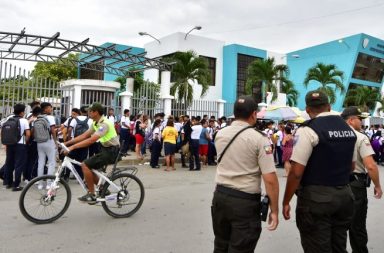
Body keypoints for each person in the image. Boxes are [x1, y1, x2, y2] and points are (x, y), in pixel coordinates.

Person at [283, 90, 357, 253]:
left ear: (308, 110)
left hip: (317, 199)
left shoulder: (308, 130)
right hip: (344, 195)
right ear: (329, 107)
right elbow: (352, 166)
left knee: (317, 246)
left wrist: (286, 201)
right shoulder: (347, 129)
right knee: (339, 245)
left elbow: (296, 172)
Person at [212, 96, 279, 252]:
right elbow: (270, 180)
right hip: (244, 202)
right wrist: (274, 210)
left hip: (220, 197)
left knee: (220, 245)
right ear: (254, 114)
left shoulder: (220, 134)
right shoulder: (259, 139)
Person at [341, 106, 382, 253]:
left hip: (334, 185)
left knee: (337, 227)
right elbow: (370, 166)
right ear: (351, 120)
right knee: (356, 225)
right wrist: (377, 185)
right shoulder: (360, 137)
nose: (362, 122)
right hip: (355, 185)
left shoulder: (331, 135)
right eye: (360, 119)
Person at [64, 103, 120, 203]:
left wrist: (72, 147)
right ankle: (102, 188)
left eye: (90, 111)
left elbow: (91, 140)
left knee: (84, 165)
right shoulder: (95, 123)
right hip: (105, 149)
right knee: (89, 166)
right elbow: (85, 135)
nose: (88, 113)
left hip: (112, 151)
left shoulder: (104, 124)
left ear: (96, 112)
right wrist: (67, 143)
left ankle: (91, 194)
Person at [3, 104, 31, 191]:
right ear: (22, 112)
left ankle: (8, 183)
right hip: (20, 145)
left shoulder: (8, 119)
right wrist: (25, 142)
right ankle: (16, 185)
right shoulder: (24, 120)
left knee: (9, 163)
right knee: (19, 164)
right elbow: (28, 134)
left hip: (9, 144)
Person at [36, 102, 57, 189]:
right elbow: (53, 130)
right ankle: (49, 184)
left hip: (39, 142)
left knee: (41, 162)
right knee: (51, 163)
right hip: (49, 141)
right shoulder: (50, 117)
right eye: (50, 107)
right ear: (45, 109)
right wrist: (56, 141)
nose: (51, 109)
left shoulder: (38, 117)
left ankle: (40, 184)